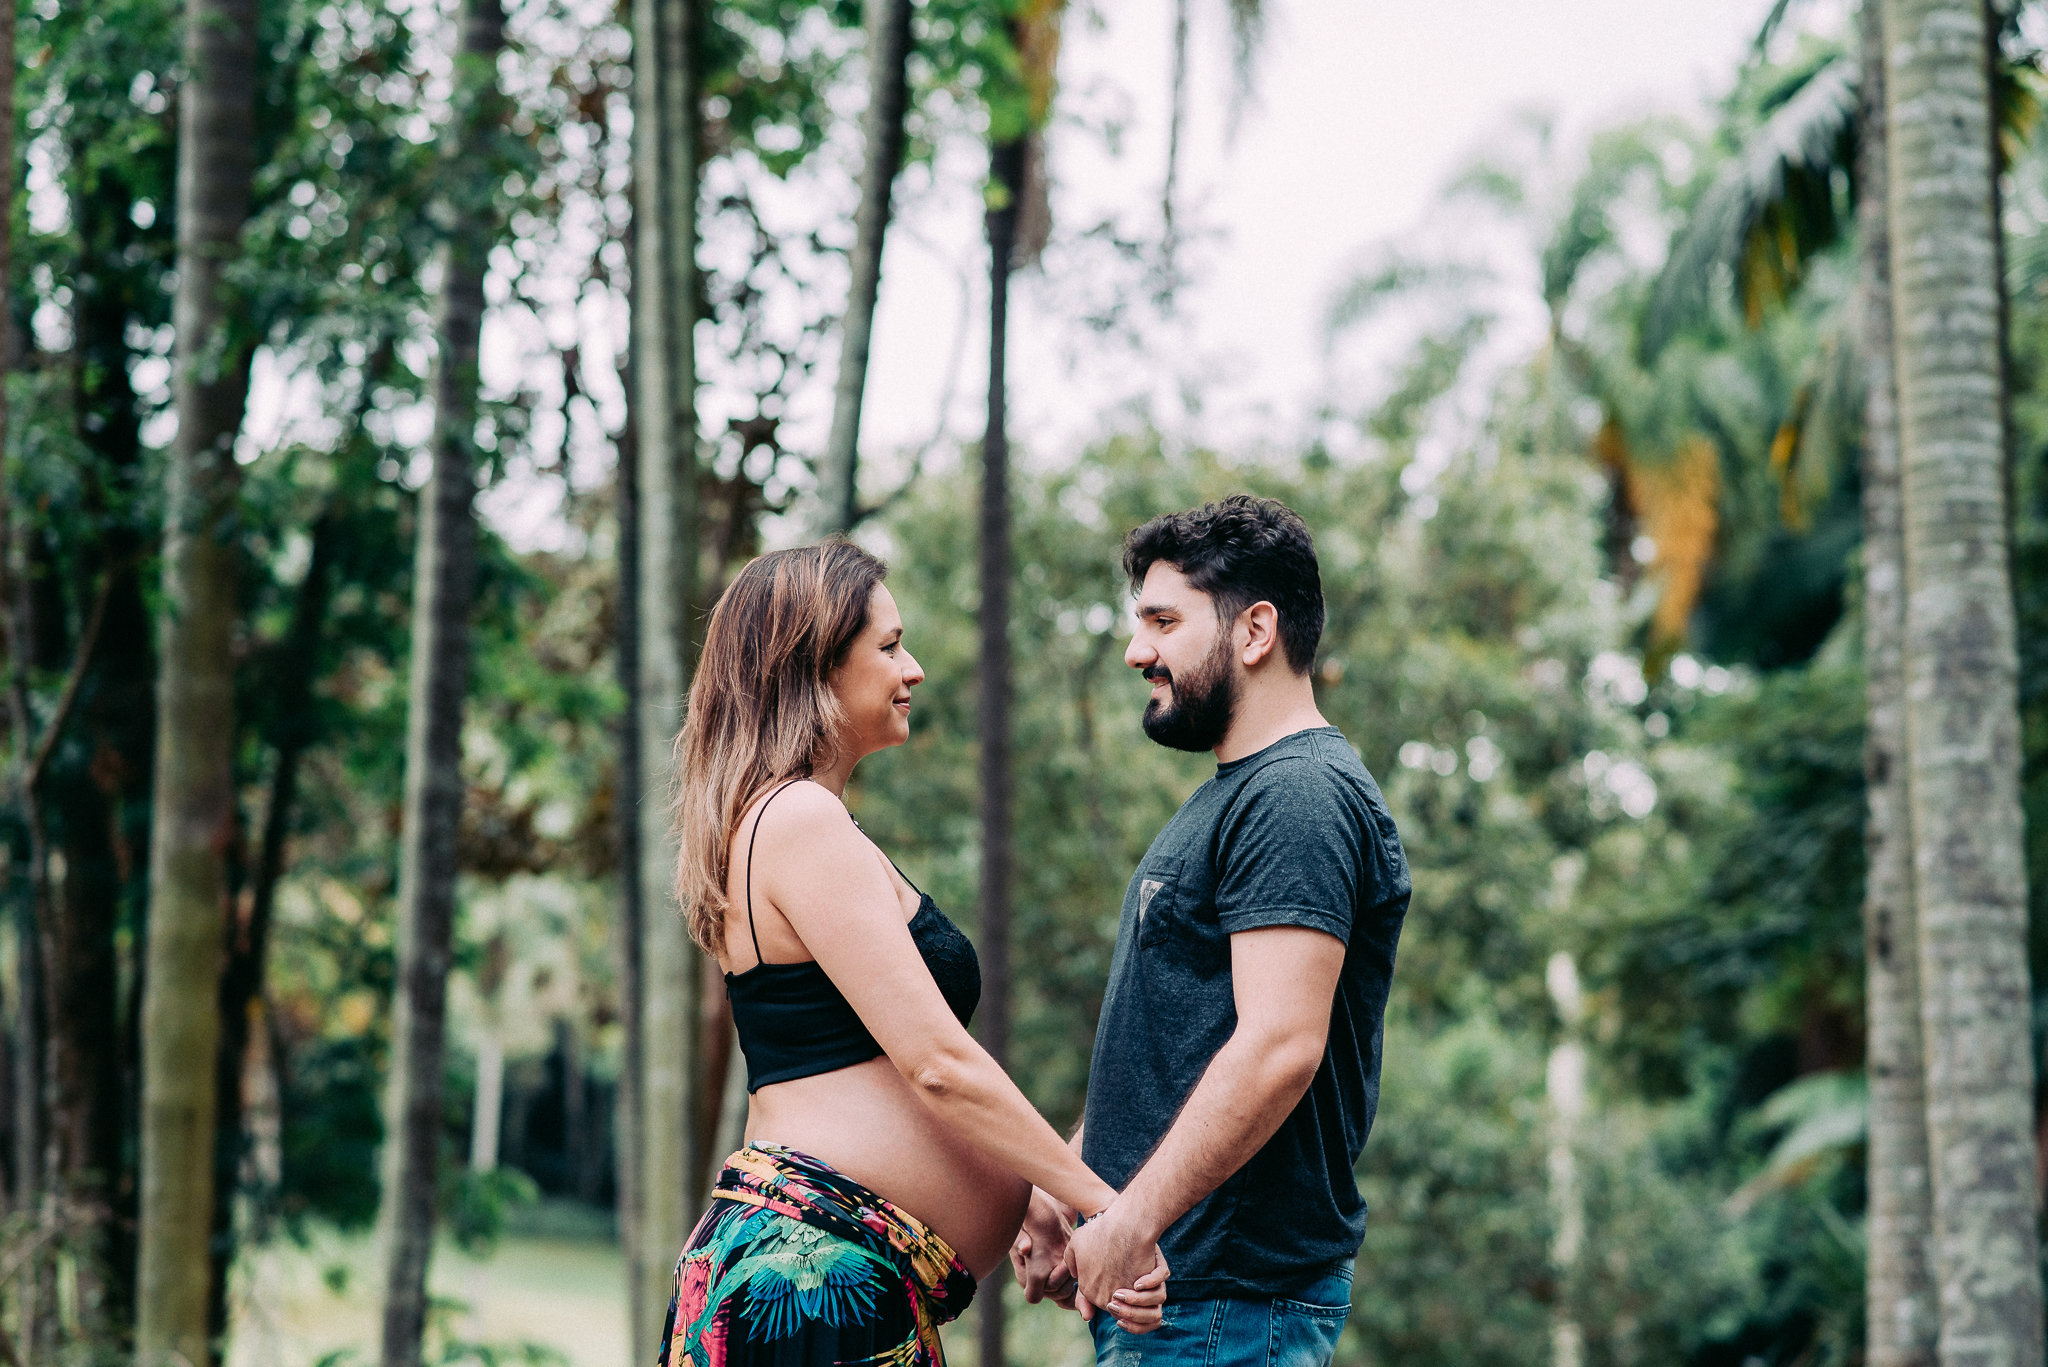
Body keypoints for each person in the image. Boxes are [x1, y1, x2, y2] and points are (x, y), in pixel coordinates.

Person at [656, 541, 1168, 1367]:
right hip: (808, 1279)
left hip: (833, 1274)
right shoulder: (798, 819)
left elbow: (881, 1067)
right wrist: (1107, 1210)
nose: (914, 668)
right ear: (814, 662)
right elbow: (936, 1062)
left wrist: (1029, 1201)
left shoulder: (796, 819)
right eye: (889, 645)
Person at [1009, 496, 1411, 1367]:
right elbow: (1176, 1057)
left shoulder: (1297, 797)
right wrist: (1066, 1186)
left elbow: (1276, 1048)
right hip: (1184, 1307)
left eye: (1162, 620)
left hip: (1225, 1312)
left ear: (1254, 629)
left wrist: (1132, 1219)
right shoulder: (1238, 795)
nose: (1135, 650)